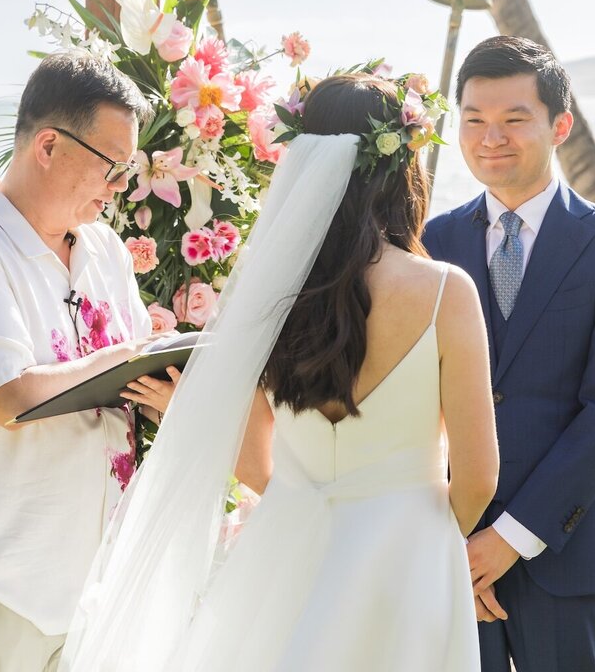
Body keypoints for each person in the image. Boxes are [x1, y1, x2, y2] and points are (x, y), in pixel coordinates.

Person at [60, 73, 499, 671]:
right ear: (399, 169)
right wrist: (429, 543)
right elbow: (477, 477)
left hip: (284, 553)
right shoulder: (446, 292)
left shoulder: (272, 293)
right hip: (408, 555)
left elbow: (259, 467)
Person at [0, 50, 176, 671]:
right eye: (112, 167)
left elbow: (132, 379)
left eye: (128, 169)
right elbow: (8, 397)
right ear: (48, 146)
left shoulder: (104, 250)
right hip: (2, 583)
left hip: (102, 578)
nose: (120, 187)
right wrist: (129, 355)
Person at [423, 36, 595, 672]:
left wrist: (510, 538)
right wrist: (461, 539)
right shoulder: (430, 242)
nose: (490, 137)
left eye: (513, 120)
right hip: (451, 550)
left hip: (565, 553)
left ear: (560, 125)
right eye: (473, 121)